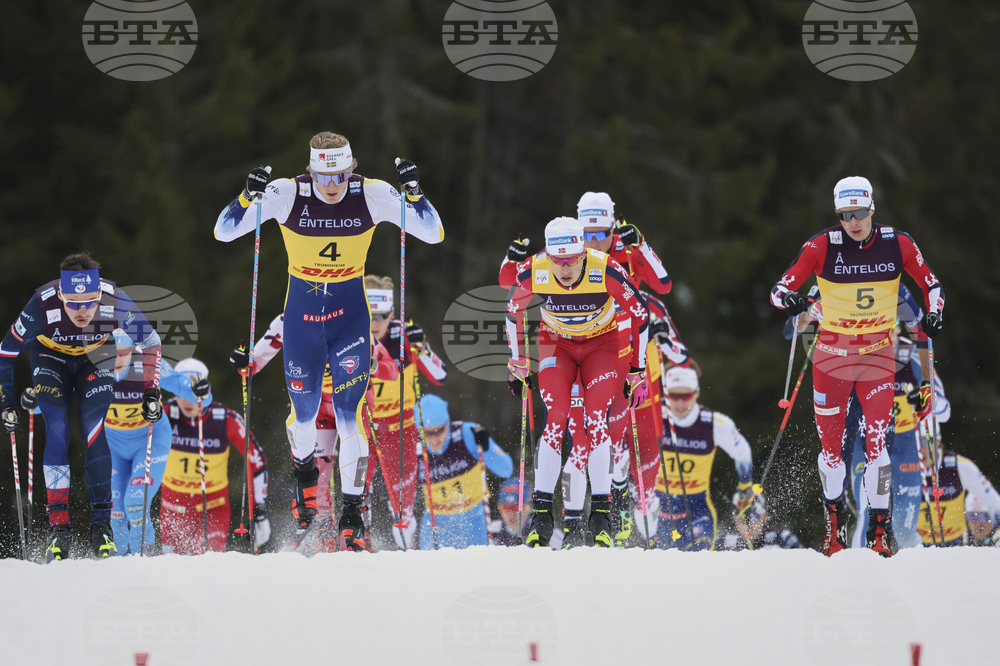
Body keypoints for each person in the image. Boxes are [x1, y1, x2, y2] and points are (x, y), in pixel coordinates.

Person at [214, 132, 444, 551]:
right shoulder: (287, 193)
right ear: (311, 170)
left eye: (340, 174)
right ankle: (303, 476)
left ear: (351, 168)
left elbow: (432, 233)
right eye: (323, 175)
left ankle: (352, 512)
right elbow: (224, 232)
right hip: (302, 322)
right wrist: (246, 198)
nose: (332, 184)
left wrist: (415, 194)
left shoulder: (370, 194)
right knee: (302, 418)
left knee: (347, 416)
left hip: (348, 321)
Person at [770, 176, 944, 557]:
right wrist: (795, 302)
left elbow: (931, 284)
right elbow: (778, 289)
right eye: (846, 215)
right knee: (832, 452)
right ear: (838, 214)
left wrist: (934, 314)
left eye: (860, 213)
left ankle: (878, 535)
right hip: (831, 359)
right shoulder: (820, 246)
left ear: (872, 209)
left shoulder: (897, 243)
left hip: (878, 354)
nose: (854, 221)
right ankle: (834, 531)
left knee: (877, 445)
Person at [0, 252, 163, 561]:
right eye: (73, 303)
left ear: (99, 293)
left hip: (97, 356)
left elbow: (151, 343)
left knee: (94, 428)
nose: (82, 311)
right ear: (61, 294)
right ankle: (58, 532)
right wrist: (5, 401)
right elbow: (6, 352)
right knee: (59, 429)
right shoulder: (41, 304)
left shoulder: (115, 300)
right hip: (51, 358)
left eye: (90, 302)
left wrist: (151, 392)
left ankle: (102, 528)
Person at [505, 216, 650, 548]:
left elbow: (640, 314)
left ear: (584, 252)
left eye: (572, 259)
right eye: (558, 260)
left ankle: (600, 514)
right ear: (549, 256)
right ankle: (542, 516)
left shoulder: (605, 268)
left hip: (601, 345)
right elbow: (512, 309)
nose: (566, 268)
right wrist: (517, 361)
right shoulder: (534, 270)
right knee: (555, 419)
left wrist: (636, 368)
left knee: (596, 417)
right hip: (557, 344)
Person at [364, 274, 447, 550]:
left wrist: (421, 347)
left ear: (392, 313)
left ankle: (406, 551)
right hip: (361, 428)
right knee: (357, 496)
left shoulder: (403, 335)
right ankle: (355, 545)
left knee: (403, 504)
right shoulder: (349, 334)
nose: (375, 323)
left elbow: (440, 376)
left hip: (399, 428)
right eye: (369, 314)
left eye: (383, 316)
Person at [105, 349, 211, 556]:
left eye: (124, 352)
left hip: (149, 441)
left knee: (135, 503)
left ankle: (145, 559)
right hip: (112, 444)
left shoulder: (147, 363)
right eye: (111, 352)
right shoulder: (93, 363)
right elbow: (58, 393)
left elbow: (191, 391)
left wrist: (201, 391)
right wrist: (35, 401)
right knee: (115, 512)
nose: (117, 358)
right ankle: (116, 570)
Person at [159, 359, 269, 555]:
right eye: (180, 392)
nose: (186, 400)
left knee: (203, 560)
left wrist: (259, 512)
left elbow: (257, 461)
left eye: (192, 391)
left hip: (212, 509)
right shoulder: (163, 415)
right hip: (173, 509)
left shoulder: (225, 419)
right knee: (174, 571)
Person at [653, 366, 754, 551]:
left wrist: (745, 487)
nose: (680, 402)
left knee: (697, 565)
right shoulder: (653, 416)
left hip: (697, 511)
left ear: (697, 393)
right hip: (658, 513)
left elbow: (743, 453)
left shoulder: (714, 423)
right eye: (674, 396)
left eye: (687, 396)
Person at [415, 394, 512, 549]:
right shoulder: (414, 447)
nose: (433, 440)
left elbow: (506, 470)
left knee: (474, 571)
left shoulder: (467, 433)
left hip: (473, 523)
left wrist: (487, 449)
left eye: (438, 431)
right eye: (427, 433)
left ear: (447, 423)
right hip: (435, 526)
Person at [916, 430, 1000, 547]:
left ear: (938, 442)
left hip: (955, 543)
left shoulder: (959, 466)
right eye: (917, 442)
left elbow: (994, 501)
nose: (921, 449)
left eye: (926, 442)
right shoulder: (902, 466)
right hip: (917, 546)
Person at [719, 491, 802, 551]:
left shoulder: (782, 538)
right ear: (734, 519)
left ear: (765, 516)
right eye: (741, 518)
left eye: (755, 516)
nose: (749, 524)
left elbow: (803, 562)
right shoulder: (724, 542)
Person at [491, 478, 532, 546]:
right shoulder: (490, 532)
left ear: (528, 508)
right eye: (506, 508)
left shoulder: (542, 532)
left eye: (516, 507)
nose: (511, 514)